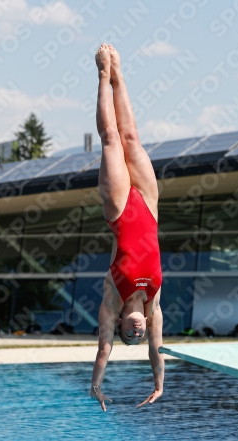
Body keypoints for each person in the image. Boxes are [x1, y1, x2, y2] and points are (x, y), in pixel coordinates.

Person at [90, 44, 164, 411]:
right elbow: (156, 348)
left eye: (127, 335)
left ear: (118, 323)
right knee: (132, 136)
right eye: (138, 335)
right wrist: (159, 384)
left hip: (120, 210)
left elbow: (104, 349)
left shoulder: (111, 300)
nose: (135, 333)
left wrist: (96, 386)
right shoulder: (154, 305)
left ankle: (104, 73)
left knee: (112, 140)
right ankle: (120, 73)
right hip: (149, 208)